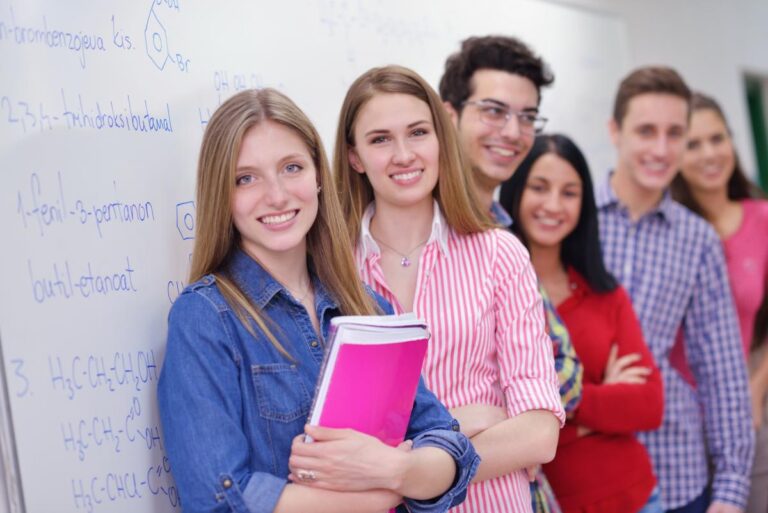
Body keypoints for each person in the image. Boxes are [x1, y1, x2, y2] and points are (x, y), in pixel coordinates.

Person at [157, 88, 479, 513]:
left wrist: (390, 472)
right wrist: (380, 494)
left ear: (318, 177)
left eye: (292, 168)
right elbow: (220, 495)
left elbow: (452, 451)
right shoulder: (205, 318)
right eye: (246, 178)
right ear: (223, 194)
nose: (277, 195)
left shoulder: (368, 308)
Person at [333, 64, 564, 513]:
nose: (403, 154)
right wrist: (469, 421)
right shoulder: (329, 269)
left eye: (418, 132)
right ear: (354, 157)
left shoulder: (500, 254)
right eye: (380, 139)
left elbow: (538, 434)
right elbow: (331, 439)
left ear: (441, 139)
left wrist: (397, 469)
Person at [596, 66, 754, 513]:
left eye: (675, 133)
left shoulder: (698, 239)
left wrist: (730, 488)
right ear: (615, 131)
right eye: (646, 131)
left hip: (677, 472)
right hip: (584, 470)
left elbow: (720, 367)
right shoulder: (572, 218)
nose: (661, 149)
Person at [439, 35, 583, 512]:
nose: (514, 131)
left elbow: (566, 371)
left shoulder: (504, 232)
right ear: (448, 114)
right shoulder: (414, 232)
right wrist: (521, 408)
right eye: (495, 110)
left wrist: (502, 410)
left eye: (527, 117)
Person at [500, 133, 664, 512]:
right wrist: (601, 399)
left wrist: (559, 408)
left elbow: (648, 404)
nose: (553, 205)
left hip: (639, 496)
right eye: (539, 188)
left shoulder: (605, 293)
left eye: (569, 192)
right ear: (515, 192)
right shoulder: (498, 290)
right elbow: (500, 406)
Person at [670, 92, 768, 513]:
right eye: (693, 144)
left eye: (717, 138)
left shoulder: (762, 218)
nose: (709, 153)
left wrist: (756, 390)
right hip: (678, 419)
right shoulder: (670, 231)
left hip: (749, 405)